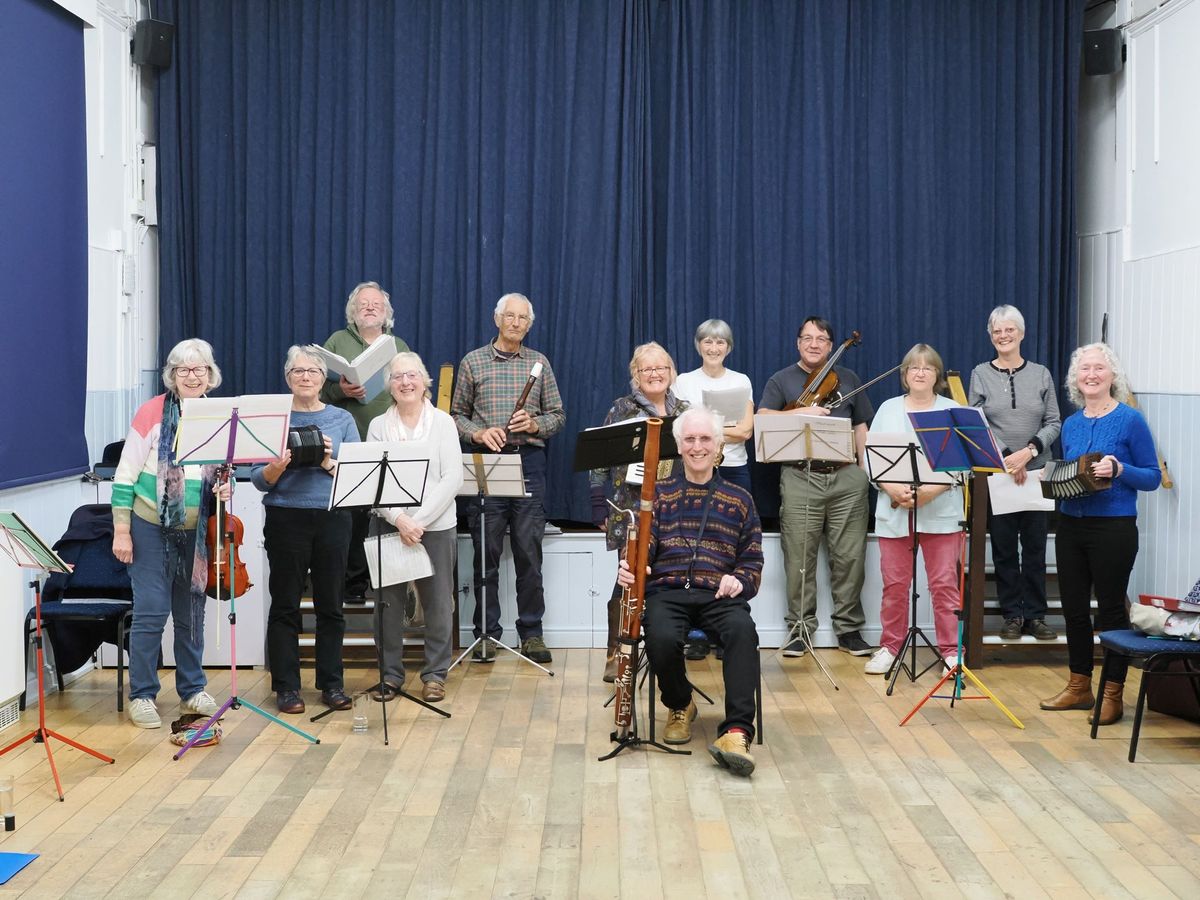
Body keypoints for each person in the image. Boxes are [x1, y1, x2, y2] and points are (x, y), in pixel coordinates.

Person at [616, 406, 763, 777]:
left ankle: (737, 731)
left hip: (719, 594)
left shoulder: (740, 499)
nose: (697, 446)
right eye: (690, 439)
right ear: (679, 446)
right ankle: (680, 703)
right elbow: (640, 547)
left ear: (719, 447)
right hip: (667, 591)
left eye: (705, 439)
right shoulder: (657, 496)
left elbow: (752, 562)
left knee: (742, 632)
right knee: (662, 636)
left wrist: (740, 580)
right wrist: (632, 566)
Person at [1039, 343, 1160, 726]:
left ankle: (1112, 694)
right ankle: (1078, 687)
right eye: (1084, 369)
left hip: (1114, 528)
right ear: (1076, 379)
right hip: (1070, 526)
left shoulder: (1130, 421)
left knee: (1110, 611)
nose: (1091, 375)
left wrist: (1120, 469)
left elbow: (1153, 477)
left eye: (1099, 368)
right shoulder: (1072, 424)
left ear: (1112, 376)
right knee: (1073, 610)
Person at [112, 338, 227, 729]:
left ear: (210, 374)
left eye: (199, 369)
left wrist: (225, 489)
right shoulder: (152, 412)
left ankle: (193, 690)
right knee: (151, 612)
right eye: (183, 370)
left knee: (191, 614)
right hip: (149, 526)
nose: (191, 376)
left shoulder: (220, 414)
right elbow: (124, 476)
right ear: (172, 375)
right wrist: (121, 531)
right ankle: (142, 694)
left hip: (195, 531)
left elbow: (219, 474)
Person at [451, 292, 566, 664]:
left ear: (529, 325)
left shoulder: (539, 363)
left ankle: (531, 633)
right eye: (510, 317)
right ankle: (485, 633)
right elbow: (455, 417)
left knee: (528, 552)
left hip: (529, 461)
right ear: (497, 319)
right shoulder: (473, 362)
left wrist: (535, 423)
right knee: (486, 551)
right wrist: (479, 434)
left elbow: (558, 416)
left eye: (523, 319)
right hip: (486, 462)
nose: (516, 323)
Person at [251, 346, 359, 714]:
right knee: (285, 605)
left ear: (323, 378)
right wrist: (277, 467)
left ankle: (332, 684)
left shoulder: (342, 419)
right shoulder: (272, 419)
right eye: (298, 371)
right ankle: (286, 688)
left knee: (331, 605)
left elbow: (357, 478)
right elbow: (258, 480)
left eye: (313, 371)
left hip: (332, 517)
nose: (306, 377)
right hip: (285, 517)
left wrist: (329, 462)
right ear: (287, 378)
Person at [758, 317, 874, 657]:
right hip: (800, 475)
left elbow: (861, 428)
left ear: (830, 345)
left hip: (847, 478)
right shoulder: (781, 380)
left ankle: (849, 629)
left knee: (850, 557)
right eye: (807, 338)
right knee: (799, 557)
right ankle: (799, 629)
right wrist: (802, 413)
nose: (814, 344)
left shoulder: (849, 378)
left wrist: (867, 473)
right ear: (797, 343)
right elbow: (763, 417)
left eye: (822, 339)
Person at [366, 352, 464, 703]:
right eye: (397, 377)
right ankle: (390, 675)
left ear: (424, 381)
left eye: (411, 375)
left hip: (435, 526)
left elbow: (453, 477)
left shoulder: (443, 423)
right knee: (387, 605)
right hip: (388, 523)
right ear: (389, 386)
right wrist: (399, 519)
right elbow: (371, 482)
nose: (405, 382)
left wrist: (417, 521)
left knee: (438, 604)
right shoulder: (378, 426)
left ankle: (435, 674)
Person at [862, 345, 965, 675]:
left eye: (928, 368)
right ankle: (890, 647)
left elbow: (963, 466)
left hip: (942, 511)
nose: (920, 372)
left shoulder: (952, 409)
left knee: (944, 585)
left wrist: (929, 493)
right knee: (894, 585)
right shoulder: (888, 409)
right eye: (913, 368)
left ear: (938, 375)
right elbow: (871, 459)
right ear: (905, 376)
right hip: (894, 509)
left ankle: (951, 651)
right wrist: (892, 489)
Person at [589, 342, 688, 682]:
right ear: (636, 376)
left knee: (668, 577)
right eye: (647, 369)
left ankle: (668, 650)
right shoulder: (621, 409)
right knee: (628, 580)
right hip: (628, 509)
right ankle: (617, 651)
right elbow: (599, 459)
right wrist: (597, 501)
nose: (655, 374)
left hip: (675, 510)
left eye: (661, 368)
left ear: (671, 372)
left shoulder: (686, 411)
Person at [969, 305, 1062, 641]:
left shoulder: (1041, 373)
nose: (1003, 336)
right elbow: (976, 421)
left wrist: (1029, 452)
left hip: (1037, 475)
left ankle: (1036, 616)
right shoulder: (980, 373)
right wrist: (1008, 458)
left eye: (1009, 330)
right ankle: (1012, 614)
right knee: (1005, 549)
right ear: (991, 336)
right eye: (997, 331)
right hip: (999, 474)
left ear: (1021, 334)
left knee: (1035, 550)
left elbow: (1054, 422)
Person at [321, 281, 413, 602]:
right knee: (356, 516)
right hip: (349, 443)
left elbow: (410, 385)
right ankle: (355, 584)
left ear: (386, 312)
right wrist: (340, 391)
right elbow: (316, 390)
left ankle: (388, 583)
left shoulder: (397, 344)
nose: (370, 308)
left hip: (390, 439)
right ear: (353, 312)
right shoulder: (337, 341)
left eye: (376, 304)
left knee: (390, 512)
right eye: (363, 305)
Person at [672, 319, 755, 492]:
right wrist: (727, 430)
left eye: (720, 342)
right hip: (694, 466)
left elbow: (745, 431)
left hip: (734, 466)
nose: (714, 349)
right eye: (708, 342)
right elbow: (678, 431)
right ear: (699, 345)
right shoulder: (683, 381)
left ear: (728, 347)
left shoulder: (741, 380)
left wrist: (700, 433)